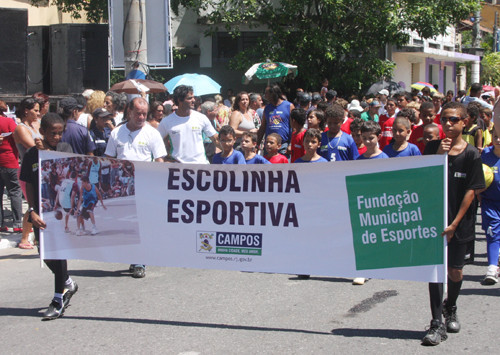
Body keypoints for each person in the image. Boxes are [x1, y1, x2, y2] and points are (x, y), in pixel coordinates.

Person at [421, 102, 485, 346]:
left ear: (465, 122)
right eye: (445, 119)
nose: (448, 124)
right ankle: (436, 323)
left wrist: (455, 224)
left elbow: (471, 191)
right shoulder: (432, 148)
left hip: (459, 223)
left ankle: (451, 306)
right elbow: (422, 178)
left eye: (454, 120)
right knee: (436, 271)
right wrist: (438, 157)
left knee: (455, 271)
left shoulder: (471, 154)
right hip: (434, 222)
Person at [20, 112, 78, 320]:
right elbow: (28, 184)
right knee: (44, 253)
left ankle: (58, 299)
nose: (57, 137)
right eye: (52, 133)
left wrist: (48, 153)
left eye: (60, 133)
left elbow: (67, 172)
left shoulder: (64, 149)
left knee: (58, 251)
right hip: (40, 211)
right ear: (42, 132)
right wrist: (31, 210)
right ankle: (68, 282)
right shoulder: (31, 154)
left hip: (59, 209)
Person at [105, 97, 166, 279]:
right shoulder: (116, 133)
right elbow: (109, 159)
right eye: (138, 113)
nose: (141, 117)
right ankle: (133, 257)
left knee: (142, 225)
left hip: (145, 187)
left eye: (144, 114)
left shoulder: (152, 133)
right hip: (121, 187)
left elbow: (160, 160)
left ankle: (140, 261)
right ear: (129, 112)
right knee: (127, 226)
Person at [158, 85, 219, 164]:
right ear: (179, 100)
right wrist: (164, 160)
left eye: (193, 97)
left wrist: (229, 152)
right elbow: (155, 142)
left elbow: (215, 139)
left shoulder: (201, 118)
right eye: (190, 98)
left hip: (201, 166)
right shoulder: (167, 121)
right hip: (178, 169)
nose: (194, 100)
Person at [13, 98, 42, 246]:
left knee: (37, 203)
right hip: (26, 170)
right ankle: (24, 238)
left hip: (38, 169)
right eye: (35, 110)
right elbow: (33, 147)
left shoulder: (34, 125)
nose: (38, 113)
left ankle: (34, 237)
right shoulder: (21, 128)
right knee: (32, 204)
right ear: (26, 110)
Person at [480, 129, 500, 284]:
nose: (498, 140)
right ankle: (492, 268)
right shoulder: (485, 155)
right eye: (495, 137)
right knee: (492, 234)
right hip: (490, 203)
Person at [0, 114, 23, 235]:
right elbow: (18, 136)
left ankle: (0, 224)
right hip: (9, 161)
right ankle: (17, 224)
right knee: (15, 192)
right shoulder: (8, 121)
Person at [257, 84, 295, 156]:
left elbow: (294, 128)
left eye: (266, 93)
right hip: (269, 146)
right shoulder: (267, 108)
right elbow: (263, 127)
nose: (264, 96)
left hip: (283, 145)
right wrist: (257, 145)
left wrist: (291, 144)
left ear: (273, 94)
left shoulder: (289, 106)